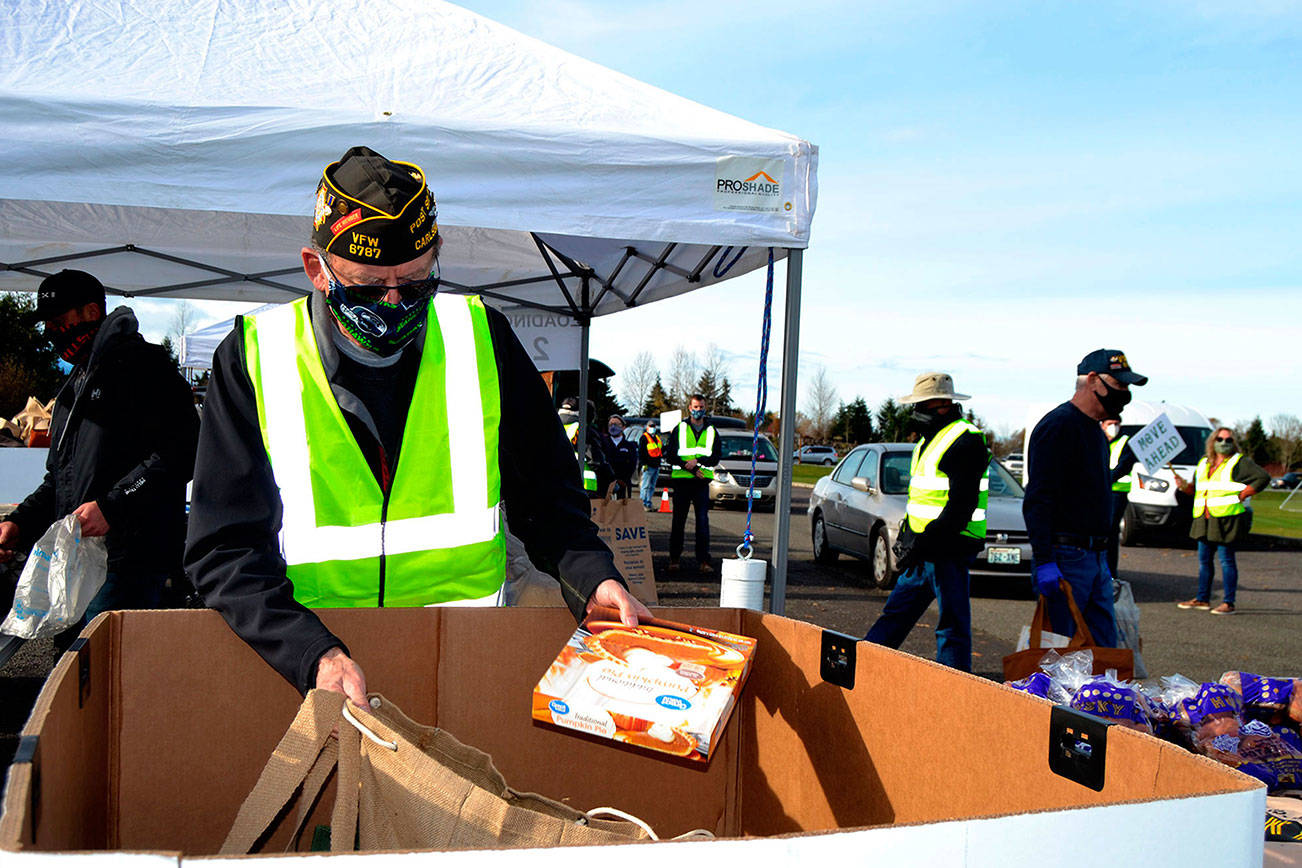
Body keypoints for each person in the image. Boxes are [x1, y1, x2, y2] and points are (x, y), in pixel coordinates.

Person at [184, 146, 650, 706]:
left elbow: (550, 504)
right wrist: (310, 652)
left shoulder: (484, 339)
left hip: (457, 668)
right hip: (310, 670)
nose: (394, 302)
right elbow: (223, 549)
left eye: (416, 282)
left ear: (436, 257)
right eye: (367, 287)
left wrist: (592, 577)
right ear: (317, 269)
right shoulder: (253, 358)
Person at [0, 270, 199, 625]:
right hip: (79, 559)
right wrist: (18, 523)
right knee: (76, 667)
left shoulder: (144, 367)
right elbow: (59, 480)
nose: (51, 334)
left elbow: (184, 450)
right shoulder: (74, 385)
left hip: (130, 561)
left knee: (109, 669)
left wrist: (113, 506)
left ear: (92, 312)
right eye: (47, 324)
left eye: (59, 322)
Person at [1023, 349, 1148, 647]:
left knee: (1104, 650)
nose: (1125, 394)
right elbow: (1038, 500)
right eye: (1120, 385)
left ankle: (1103, 696)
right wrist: (1044, 560)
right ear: (1093, 380)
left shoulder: (1095, 431)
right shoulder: (1059, 426)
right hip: (1066, 556)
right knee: (1060, 653)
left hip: (1095, 556)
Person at [864, 373, 988, 672]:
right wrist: (908, 533)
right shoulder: (927, 441)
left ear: (940, 405)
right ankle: (865, 667)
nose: (915, 412)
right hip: (925, 548)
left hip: (950, 547)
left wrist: (923, 541)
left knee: (951, 625)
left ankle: (953, 684)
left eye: (920, 404)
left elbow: (961, 505)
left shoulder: (965, 440)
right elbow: (922, 498)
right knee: (896, 614)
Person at [1171, 428, 1269, 615]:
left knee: (1226, 561)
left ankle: (1228, 602)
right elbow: (1197, 490)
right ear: (1212, 441)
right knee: (1204, 561)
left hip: (1226, 518)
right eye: (1220, 438)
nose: (1224, 442)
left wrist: (1246, 492)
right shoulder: (1203, 464)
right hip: (1204, 518)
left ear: (1234, 443)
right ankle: (1202, 598)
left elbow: (1263, 478)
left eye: (1229, 439)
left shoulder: (1239, 462)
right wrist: (1184, 486)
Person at [663, 395, 720, 574]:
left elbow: (715, 457)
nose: (698, 409)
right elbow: (670, 454)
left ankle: (704, 560)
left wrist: (698, 460)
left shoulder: (711, 431)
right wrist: (689, 467)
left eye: (701, 406)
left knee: (702, 522)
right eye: (695, 406)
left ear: (705, 408)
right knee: (678, 522)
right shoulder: (679, 429)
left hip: (702, 483)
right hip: (682, 482)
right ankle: (674, 559)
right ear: (689, 408)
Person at [1102, 416, 1138, 579]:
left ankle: (1111, 573)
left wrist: (1105, 479)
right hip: (1099, 492)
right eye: (1110, 424)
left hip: (1117, 492)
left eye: (1116, 424)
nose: (1114, 427)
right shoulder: (1097, 440)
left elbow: (1124, 466)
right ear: (1102, 425)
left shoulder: (1125, 442)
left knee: (1110, 532)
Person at [600, 414, 638, 498]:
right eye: (610, 424)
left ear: (623, 427)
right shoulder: (602, 443)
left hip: (623, 484)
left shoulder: (630, 446)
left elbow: (632, 465)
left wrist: (621, 479)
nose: (613, 427)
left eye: (616, 424)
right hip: (605, 484)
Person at [638, 420, 663, 511]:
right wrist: (643, 463)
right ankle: (643, 503)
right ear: (647, 427)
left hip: (656, 465)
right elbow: (641, 452)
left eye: (653, 426)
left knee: (652, 486)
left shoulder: (657, 438)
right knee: (645, 485)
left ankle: (648, 503)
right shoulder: (644, 438)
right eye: (650, 426)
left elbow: (661, 450)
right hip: (648, 466)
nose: (652, 428)